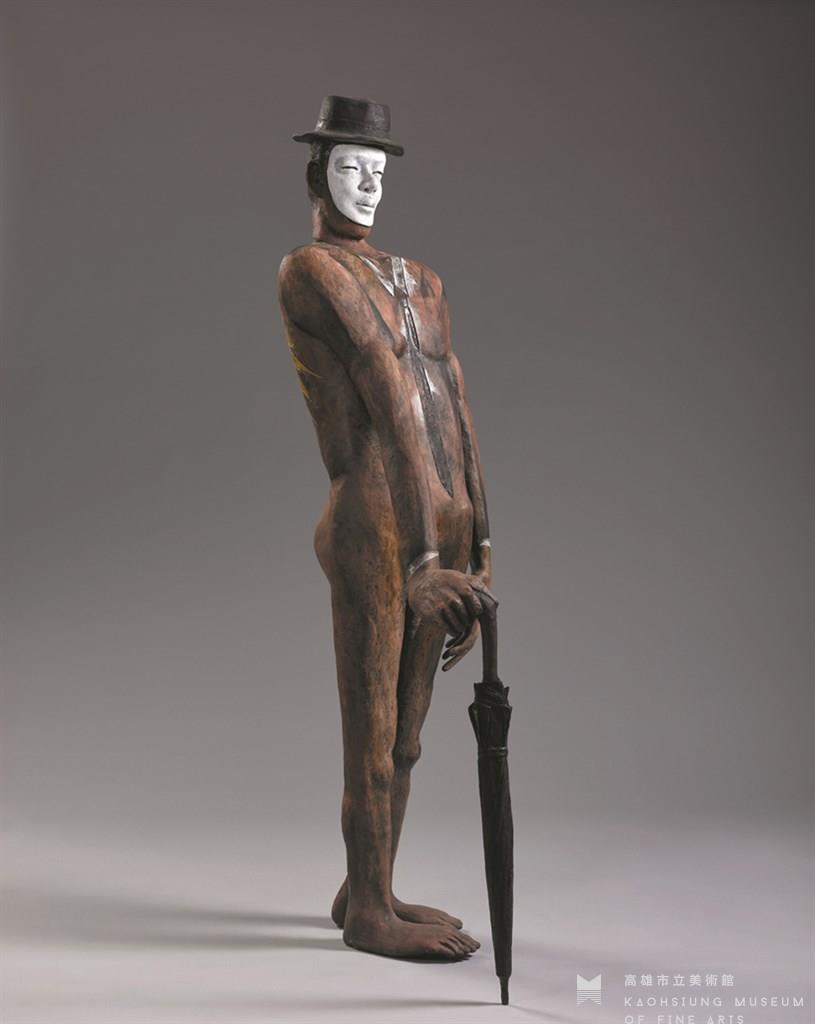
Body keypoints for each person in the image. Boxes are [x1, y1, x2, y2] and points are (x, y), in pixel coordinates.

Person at [278, 95, 497, 960]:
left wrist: (479, 546)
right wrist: (422, 560)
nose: (366, 187)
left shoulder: (422, 279)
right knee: (370, 734)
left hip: (439, 529)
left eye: (375, 172)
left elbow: (455, 405)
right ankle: (371, 911)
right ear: (316, 176)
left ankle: (367, 887)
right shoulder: (312, 271)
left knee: (406, 738)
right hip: (376, 528)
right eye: (348, 170)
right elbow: (385, 388)